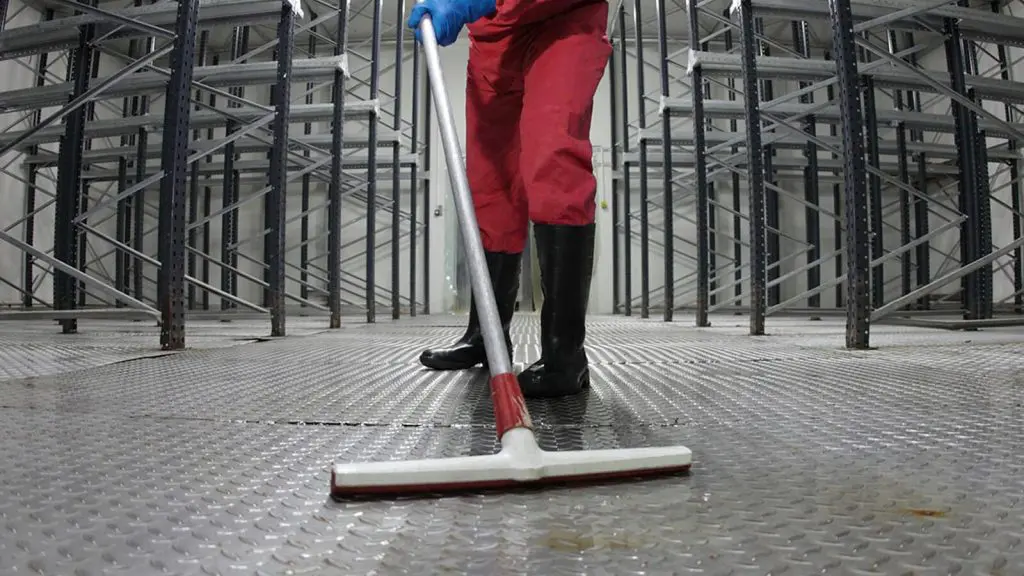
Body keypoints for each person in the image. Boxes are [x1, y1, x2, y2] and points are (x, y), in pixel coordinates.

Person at [408, 0, 611, 399]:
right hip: (493, 38)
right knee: (490, 185)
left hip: (561, 20)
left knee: (552, 158)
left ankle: (564, 356)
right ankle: (486, 336)